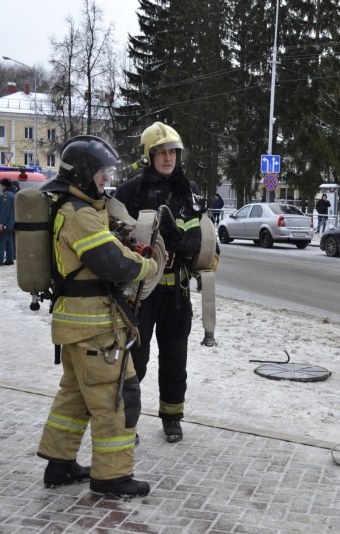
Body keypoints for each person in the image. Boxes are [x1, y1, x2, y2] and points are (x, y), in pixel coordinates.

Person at [36, 135, 158, 498]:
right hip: (95, 329)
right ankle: (113, 476)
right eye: (101, 174)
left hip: (76, 327)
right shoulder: (79, 214)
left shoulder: (74, 209)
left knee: (74, 397)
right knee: (117, 398)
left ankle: (59, 464)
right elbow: (114, 264)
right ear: (84, 175)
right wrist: (149, 265)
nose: (106, 180)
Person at [115, 121, 204, 444]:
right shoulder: (129, 192)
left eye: (173, 153)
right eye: (161, 153)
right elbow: (113, 238)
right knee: (134, 359)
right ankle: (128, 421)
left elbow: (199, 238)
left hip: (176, 290)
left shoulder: (187, 191)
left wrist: (181, 244)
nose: (168, 158)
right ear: (148, 156)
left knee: (175, 356)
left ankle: (172, 418)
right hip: (140, 290)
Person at [0, 178, 15, 266]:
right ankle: (9, 259)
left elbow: (5, 210)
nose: (0, 187)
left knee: (1, 240)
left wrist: (1, 223)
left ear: (4, 186)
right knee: (8, 241)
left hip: (4, 222)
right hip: (10, 222)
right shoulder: (12, 194)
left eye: (1, 185)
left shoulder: (6, 196)